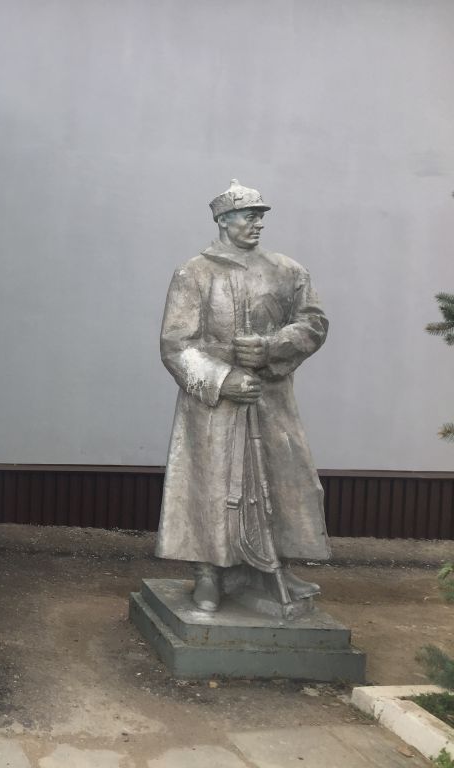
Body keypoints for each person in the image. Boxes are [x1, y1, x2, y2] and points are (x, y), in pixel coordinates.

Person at [156, 180, 330, 612]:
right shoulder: (194, 272)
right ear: (223, 219)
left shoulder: (287, 270)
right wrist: (223, 379)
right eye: (249, 215)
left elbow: (313, 323)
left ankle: (270, 566)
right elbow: (176, 344)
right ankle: (208, 572)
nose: (258, 223)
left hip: (271, 397)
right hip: (214, 405)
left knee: (280, 478)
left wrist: (273, 347)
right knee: (211, 481)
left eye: (260, 216)